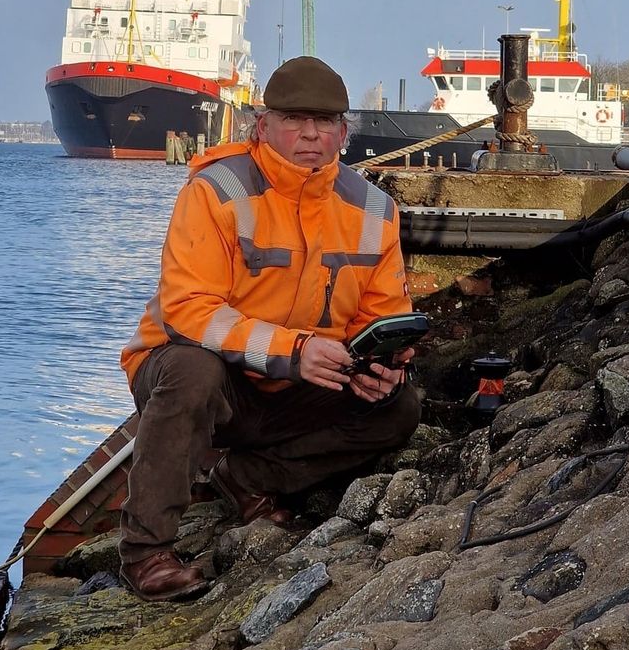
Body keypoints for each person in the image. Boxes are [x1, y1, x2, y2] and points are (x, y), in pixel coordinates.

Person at [118, 56, 421, 601]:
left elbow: (383, 312)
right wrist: (293, 351)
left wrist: (383, 367)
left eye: (324, 122)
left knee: (399, 407)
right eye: (295, 120)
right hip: (200, 377)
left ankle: (248, 478)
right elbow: (188, 308)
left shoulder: (375, 209)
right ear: (263, 126)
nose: (311, 133)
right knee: (192, 369)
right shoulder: (216, 191)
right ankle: (147, 552)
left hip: (293, 384)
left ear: (343, 132)